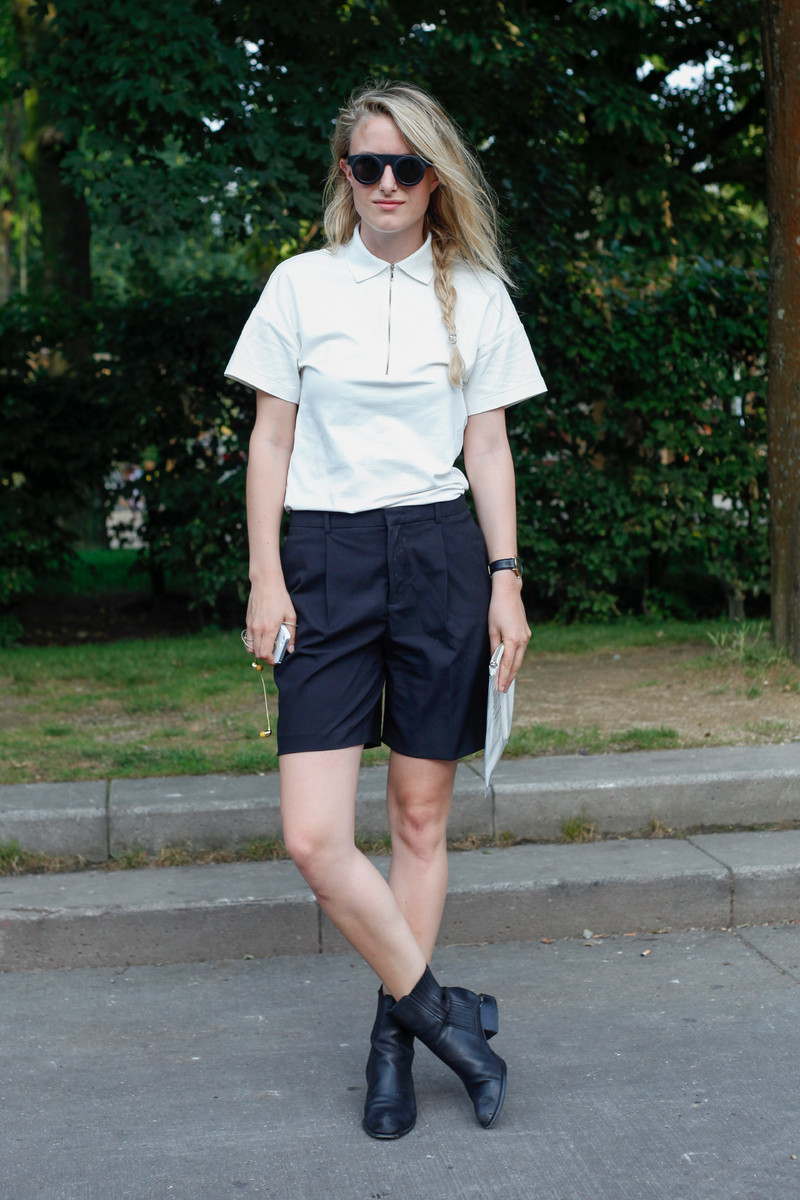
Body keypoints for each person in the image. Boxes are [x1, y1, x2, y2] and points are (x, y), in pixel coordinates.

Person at [225, 79, 546, 1139]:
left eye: (407, 166)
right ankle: (449, 1022)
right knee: (314, 835)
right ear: (345, 175)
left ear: (434, 177)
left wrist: (505, 578)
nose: (387, 183)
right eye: (369, 165)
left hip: (440, 555)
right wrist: (266, 575)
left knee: (416, 817)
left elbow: (487, 446)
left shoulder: (479, 295)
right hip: (323, 557)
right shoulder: (299, 285)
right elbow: (270, 438)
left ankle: (391, 1047)